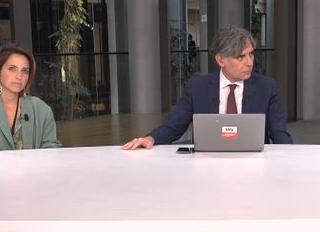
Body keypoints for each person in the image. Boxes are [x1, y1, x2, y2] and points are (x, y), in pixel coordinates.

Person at [122, 26, 292, 150]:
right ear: (221, 60)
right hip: (207, 165)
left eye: (251, 54)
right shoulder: (198, 88)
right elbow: (173, 126)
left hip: (253, 165)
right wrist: (151, 138)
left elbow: (279, 133)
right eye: (241, 57)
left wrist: (292, 157)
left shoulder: (267, 88)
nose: (249, 62)